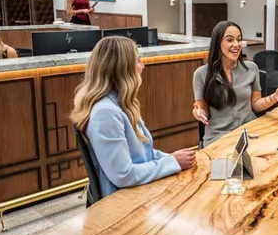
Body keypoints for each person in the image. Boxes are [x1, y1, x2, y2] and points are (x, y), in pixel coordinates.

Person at [70, 36, 195, 197]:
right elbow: (124, 175)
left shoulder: (121, 102)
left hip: (140, 189)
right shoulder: (105, 113)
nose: (143, 66)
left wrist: (173, 158)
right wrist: (172, 162)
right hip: (125, 199)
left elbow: (144, 153)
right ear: (123, 69)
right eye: (138, 61)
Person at [192, 21, 278, 147]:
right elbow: (203, 110)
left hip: (249, 132)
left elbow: (255, 104)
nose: (236, 44)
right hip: (219, 138)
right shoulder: (201, 74)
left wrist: (273, 98)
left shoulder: (251, 68)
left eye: (239, 40)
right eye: (230, 40)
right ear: (217, 43)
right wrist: (199, 112)